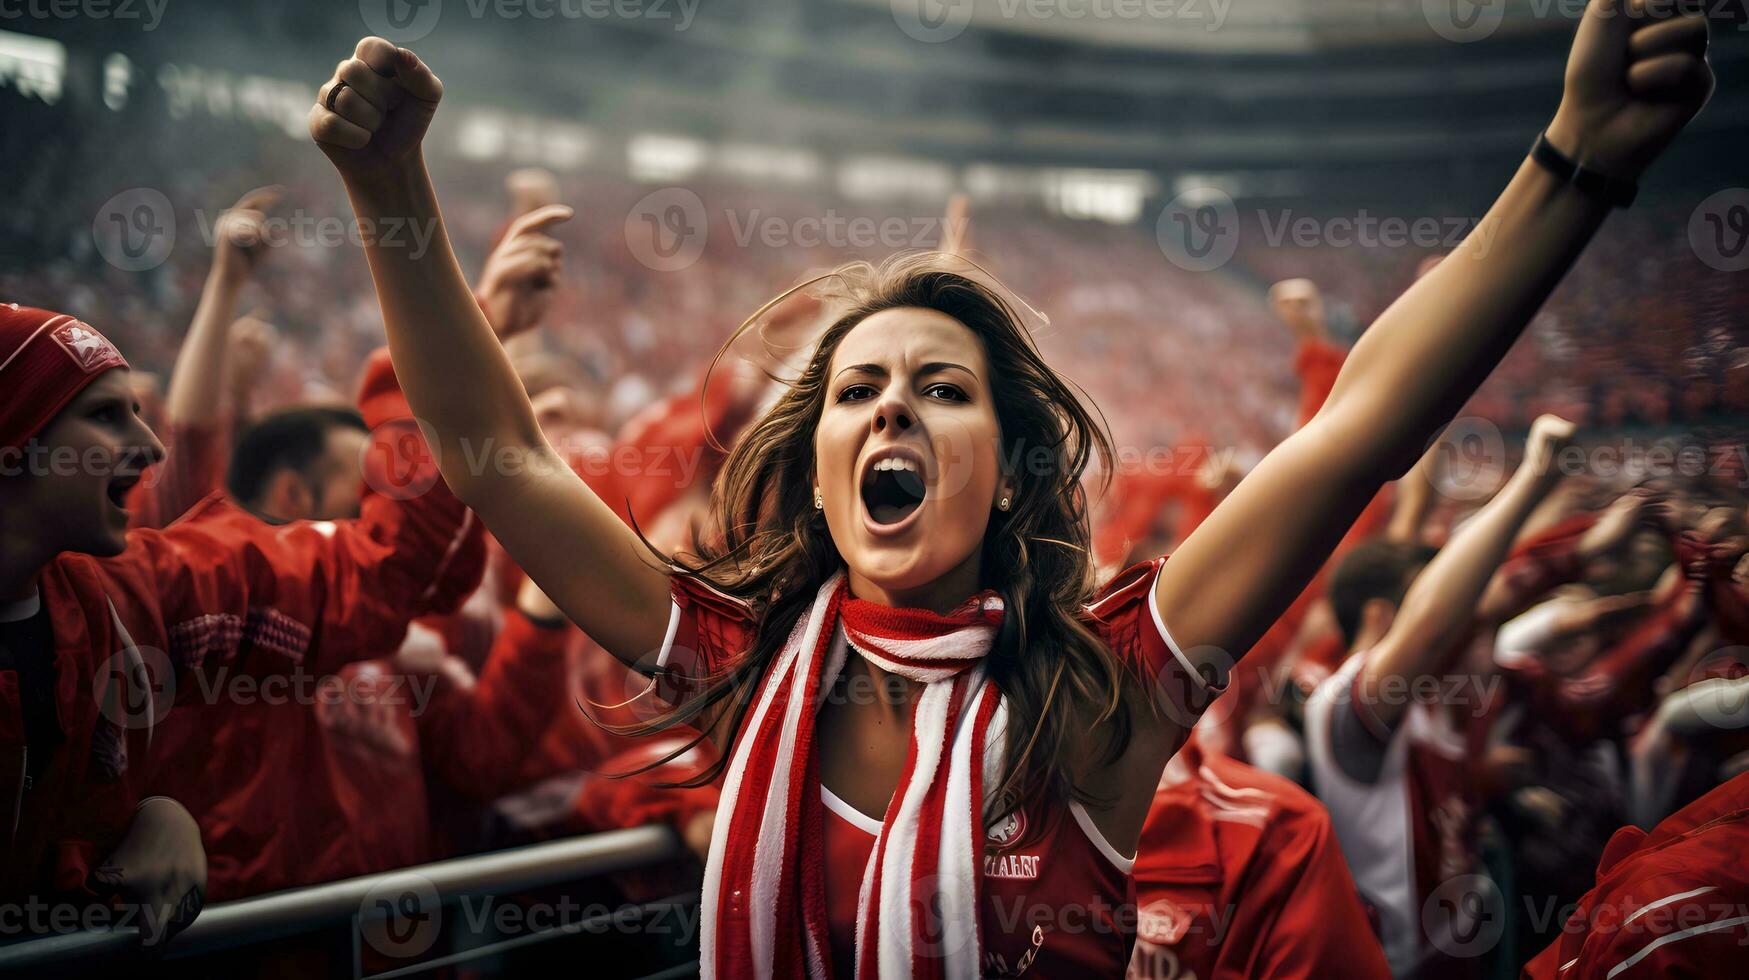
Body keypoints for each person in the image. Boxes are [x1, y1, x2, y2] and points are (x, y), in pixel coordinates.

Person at [305, 4, 1716, 971]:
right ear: (816, 462)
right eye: (855, 389)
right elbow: (498, 451)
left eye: (940, 387)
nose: (890, 408)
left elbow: (1354, 428)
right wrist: (389, 192)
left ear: (1009, 468)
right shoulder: (737, 661)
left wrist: (1568, 167)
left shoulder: (1101, 695)